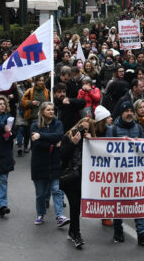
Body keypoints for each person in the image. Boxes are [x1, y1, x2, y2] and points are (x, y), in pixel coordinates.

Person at [106, 101, 144, 245]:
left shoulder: (138, 128)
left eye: (131, 111)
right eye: (126, 111)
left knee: (137, 202)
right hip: (119, 173)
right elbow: (107, 149)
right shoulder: (113, 130)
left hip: (135, 173)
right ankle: (118, 231)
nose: (129, 113)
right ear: (121, 113)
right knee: (118, 203)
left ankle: (141, 233)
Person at [29, 102, 69, 227]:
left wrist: (41, 136)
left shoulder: (58, 124)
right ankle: (40, 214)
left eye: (52, 109)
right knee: (41, 193)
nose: (51, 112)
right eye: (48, 110)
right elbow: (36, 144)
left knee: (57, 190)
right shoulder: (34, 125)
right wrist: (53, 144)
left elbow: (59, 135)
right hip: (39, 163)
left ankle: (59, 216)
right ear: (42, 112)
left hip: (54, 163)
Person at [60, 117, 93, 249]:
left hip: (82, 179)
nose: (83, 131)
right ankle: (77, 235)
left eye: (86, 130)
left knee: (76, 207)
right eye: (81, 127)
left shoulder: (88, 141)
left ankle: (72, 231)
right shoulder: (68, 137)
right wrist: (73, 143)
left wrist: (91, 141)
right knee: (74, 205)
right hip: (69, 178)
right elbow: (62, 156)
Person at [20, 75, 49, 157]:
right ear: (36, 81)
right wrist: (31, 103)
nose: (41, 82)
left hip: (44, 118)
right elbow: (22, 102)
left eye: (42, 80)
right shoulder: (30, 91)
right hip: (33, 118)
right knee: (34, 138)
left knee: (43, 137)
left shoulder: (47, 91)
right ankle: (34, 154)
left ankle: (42, 155)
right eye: (39, 80)